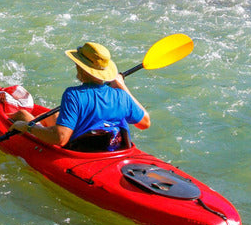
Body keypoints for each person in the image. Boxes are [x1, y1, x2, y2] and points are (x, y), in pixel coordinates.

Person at [9, 41, 150, 150]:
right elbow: (145, 123)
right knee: (54, 116)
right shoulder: (122, 96)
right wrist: (121, 85)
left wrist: (27, 127)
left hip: (81, 151)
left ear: (81, 67)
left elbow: (61, 138)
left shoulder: (74, 95)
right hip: (113, 149)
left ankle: (9, 118)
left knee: (23, 115)